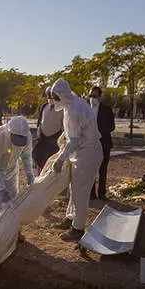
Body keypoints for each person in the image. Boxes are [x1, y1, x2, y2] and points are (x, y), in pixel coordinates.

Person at [49, 78, 104, 242]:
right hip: (82, 151)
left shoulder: (74, 109)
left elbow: (75, 141)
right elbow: (74, 132)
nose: (54, 100)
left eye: (56, 97)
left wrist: (60, 159)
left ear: (63, 95)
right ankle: (70, 217)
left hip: (87, 153)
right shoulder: (71, 103)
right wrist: (63, 136)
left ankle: (78, 228)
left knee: (81, 192)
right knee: (74, 188)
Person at [0, 116, 35, 218]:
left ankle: (11, 226)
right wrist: (1, 189)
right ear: (9, 132)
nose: (19, 142)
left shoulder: (27, 137)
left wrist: (30, 174)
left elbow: (26, 157)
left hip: (11, 165)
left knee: (13, 195)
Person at [88, 86, 116, 200]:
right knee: (90, 170)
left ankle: (102, 193)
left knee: (102, 169)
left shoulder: (106, 110)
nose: (92, 98)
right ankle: (91, 193)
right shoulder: (86, 109)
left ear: (99, 97)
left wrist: (98, 132)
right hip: (90, 144)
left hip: (103, 143)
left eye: (94, 96)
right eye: (90, 96)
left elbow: (111, 126)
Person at [33, 87, 64, 170]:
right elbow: (39, 122)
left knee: (50, 165)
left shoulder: (62, 108)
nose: (49, 97)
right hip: (42, 140)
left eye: (51, 95)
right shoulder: (44, 106)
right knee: (40, 162)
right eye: (48, 95)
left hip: (54, 141)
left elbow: (64, 127)